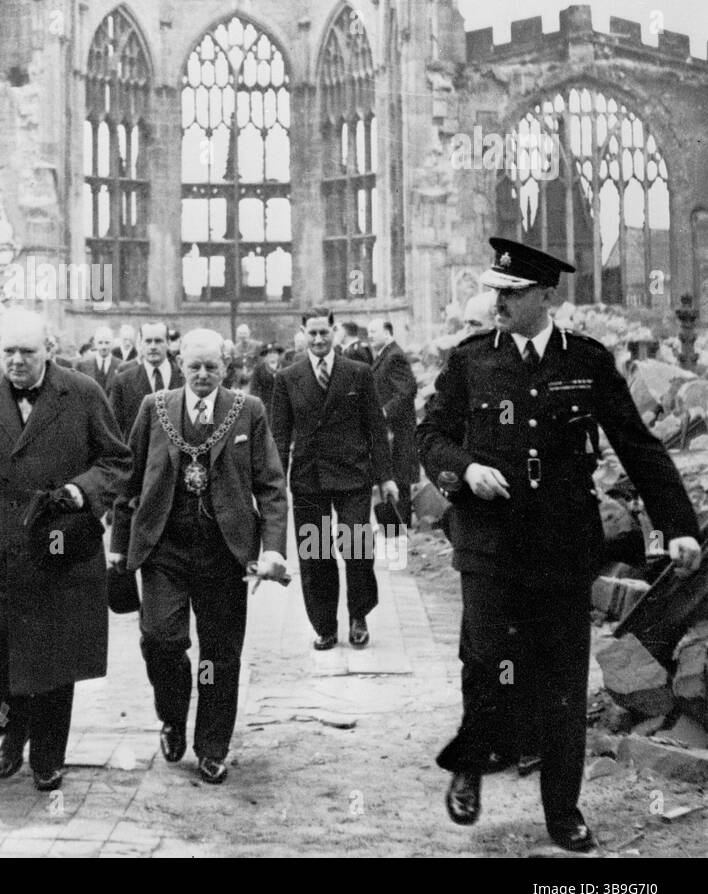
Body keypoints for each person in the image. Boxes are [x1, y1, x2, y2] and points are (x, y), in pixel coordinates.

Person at [417, 238, 704, 853]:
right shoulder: (470, 362)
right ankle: (471, 763)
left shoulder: (588, 361)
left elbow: (639, 447)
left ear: (547, 296)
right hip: (489, 543)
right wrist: (465, 470)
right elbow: (431, 435)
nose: (501, 303)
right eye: (497, 291)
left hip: (561, 546)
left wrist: (679, 525)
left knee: (563, 678)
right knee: (487, 657)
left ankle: (562, 810)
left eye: (514, 293)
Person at [0, 308, 132, 792]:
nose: (17, 361)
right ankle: (10, 722)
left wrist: (81, 492)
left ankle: (47, 756)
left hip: (56, 547)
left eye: (28, 352)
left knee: (52, 658)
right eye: (8, 352)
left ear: (50, 350)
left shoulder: (82, 393)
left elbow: (117, 461)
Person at [111, 329, 288, 784]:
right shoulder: (155, 409)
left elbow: (270, 485)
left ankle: (212, 746)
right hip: (163, 547)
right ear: (180, 364)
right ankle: (171, 715)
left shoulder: (248, 411)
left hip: (224, 553)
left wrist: (272, 550)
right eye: (195, 366)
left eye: (212, 366)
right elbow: (129, 481)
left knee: (219, 656)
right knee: (161, 638)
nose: (203, 375)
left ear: (225, 367)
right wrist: (117, 547)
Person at [270, 307, 398, 650]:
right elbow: (279, 435)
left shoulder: (358, 373)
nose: (318, 340)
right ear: (302, 333)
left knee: (356, 549)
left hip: (353, 476)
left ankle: (359, 615)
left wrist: (385, 477)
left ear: (334, 331)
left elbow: (375, 428)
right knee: (316, 555)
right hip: (309, 478)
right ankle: (325, 626)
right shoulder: (287, 377)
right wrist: (275, 482)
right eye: (311, 334)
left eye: (323, 333)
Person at [367, 319, 419, 529]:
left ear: (387, 334)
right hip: (389, 432)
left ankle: (399, 533)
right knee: (390, 479)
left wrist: (384, 412)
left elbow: (407, 391)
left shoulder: (394, 356)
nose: (369, 335)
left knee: (399, 481)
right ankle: (393, 531)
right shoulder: (384, 356)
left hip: (398, 433)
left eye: (373, 331)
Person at [109, 323, 184, 437]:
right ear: (140, 344)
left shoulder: (184, 377)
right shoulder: (123, 381)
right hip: (139, 452)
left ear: (168, 343)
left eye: (158, 341)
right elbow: (114, 427)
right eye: (148, 341)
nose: (153, 346)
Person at [76, 327, 119, 395]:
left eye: (107, 343)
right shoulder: (82, 365)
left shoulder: (122, 366)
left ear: (112, 344)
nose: (103, 346)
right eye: (100, 343)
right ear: (95, 344)